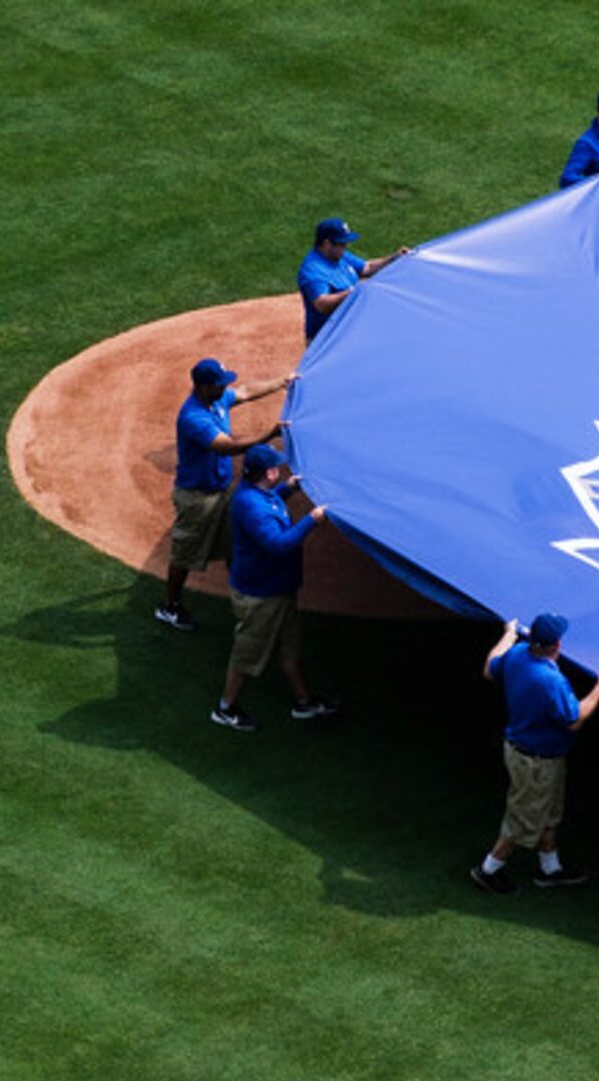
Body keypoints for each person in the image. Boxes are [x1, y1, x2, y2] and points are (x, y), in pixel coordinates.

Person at [472, 613, 599, 894]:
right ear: (557, 645)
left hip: (526, 753)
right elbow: (574, 720)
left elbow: (490, 668)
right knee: (523, 818)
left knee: (547, 813)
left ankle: (551, 869)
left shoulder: (518, 654)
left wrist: (508, 635)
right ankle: (488, 870)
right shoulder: (549, 680)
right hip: (536, 762)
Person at [156, 358, 289, 630]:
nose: (224, 388)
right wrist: (269, 435)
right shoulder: (194, 417)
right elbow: (226, 447)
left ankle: (243, 597)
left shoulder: (216, 400)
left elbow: (245, 392)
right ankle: (169, 606)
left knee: (233, 541)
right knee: (185, 553)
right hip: (197, 498)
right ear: (203, 387)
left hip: (221, 491)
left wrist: (281, 382)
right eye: (219, 385)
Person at [214, 444, 337, 730]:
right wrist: (312, 520)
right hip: (261, 596)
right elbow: (278, 545)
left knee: (289, 647)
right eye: (277, 467)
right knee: (248, 653)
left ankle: (303, 703)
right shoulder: (252, 507)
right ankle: (225, 708)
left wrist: (288, 488)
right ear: (268, 473)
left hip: (277, 589)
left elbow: (270, 499)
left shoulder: (255, 491)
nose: (280, 469)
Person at [297, 217, 410, 343]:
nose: (346, 246)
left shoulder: (339, 256)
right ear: (327, 244)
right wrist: (352, 292)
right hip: (326, 341)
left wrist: (394, 258)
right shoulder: (314, 270)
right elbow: (321, 304)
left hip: (347, 331)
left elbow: (366, 268)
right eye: (342, 243)